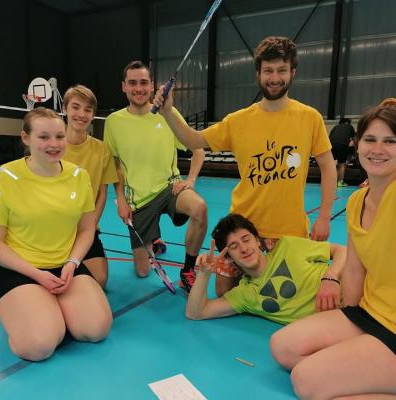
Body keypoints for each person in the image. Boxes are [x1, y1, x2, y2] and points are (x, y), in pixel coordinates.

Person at [154, 36, 337, 295]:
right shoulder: (238, 121)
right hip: (242, 229)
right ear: (258, 74)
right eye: (268, 71)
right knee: (223, 293)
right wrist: (168, 112)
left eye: (282, 70)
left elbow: (328, 166)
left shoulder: (310, 118)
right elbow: (193, 140)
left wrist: (324, 217)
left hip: (289, 232)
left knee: (286, 297)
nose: (275, 78)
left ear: (292, 72)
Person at [270, 104, 396, 399]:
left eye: (390, 141)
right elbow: (354, 268)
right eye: (370, 139)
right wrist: (348, 316)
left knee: (306, 381)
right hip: (371, 311)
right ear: (356, 144)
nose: (378, 149)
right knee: (283, 347)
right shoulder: (356, 201)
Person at [0, 108, 112, 362]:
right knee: (39, 345)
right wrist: (37, 275)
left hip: (65, 267)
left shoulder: (78, 176)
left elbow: (87, 229)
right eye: (44, 137)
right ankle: (28, 310)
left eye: (59, 136)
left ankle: (48, 309)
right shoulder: (4, 178)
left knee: (96, 329)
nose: (54, 144)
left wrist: (72, 263)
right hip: (20, 268)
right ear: (25, 138)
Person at [104, 61, 207, 293]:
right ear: (123, 86)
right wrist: (121, 199)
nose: (138, 88)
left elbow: (198, 150)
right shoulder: (113, 122)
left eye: (143, 83)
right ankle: (154, 242)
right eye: (132, 83)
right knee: (142, 271)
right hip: (139, 200)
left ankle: (187, 270)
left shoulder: (167, 114)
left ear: (152, 86)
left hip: (170, 188)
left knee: (199, 208)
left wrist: (190, 181)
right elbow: (115, 164)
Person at [186, 214, 345, 324]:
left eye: (246, 239)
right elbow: (195, 313)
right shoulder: (245, 294)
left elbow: (342, 251)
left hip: (353, 290)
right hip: (338, 322)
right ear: (229, 258)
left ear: (257, 240)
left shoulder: (287, 246)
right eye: (234, 247)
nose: (244, 249)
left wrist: (331, 277)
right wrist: (204, 274)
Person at [63, 84, 118, 288]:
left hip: (85, 227)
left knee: (99, 280)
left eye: (88, 109)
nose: (81, 114)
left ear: (93, 115)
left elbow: (102, 193)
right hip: (54, 228)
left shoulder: (102, 150)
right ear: (65, 109)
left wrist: (91, 226)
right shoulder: (53, 147)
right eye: (75, 107)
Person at [329, 117, 356, 187]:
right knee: (341, 164)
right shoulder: (349, 126)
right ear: (347, 122)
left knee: (333, 164)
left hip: (331, 145)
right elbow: (354, 139)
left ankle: (331, 181)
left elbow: (329, 137)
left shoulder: (335, 127)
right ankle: (340, 182)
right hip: (342, 145)